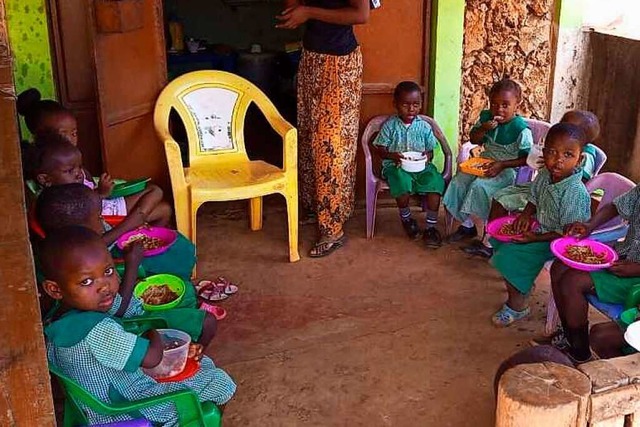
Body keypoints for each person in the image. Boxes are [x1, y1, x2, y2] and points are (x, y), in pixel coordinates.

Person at [41, 226, 235, 425]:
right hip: (126, 408)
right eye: (87, 281)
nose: (105, 286)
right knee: (220, 382)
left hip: (101, 395)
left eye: (108, 271)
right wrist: (153, 334)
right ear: (54, 289)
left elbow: (119, 307)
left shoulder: (61, 316)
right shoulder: (97, 331)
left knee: (202, 364)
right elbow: (152, 357)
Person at [277, 0, 369, 257]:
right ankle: (317, 207)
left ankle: (333, 228)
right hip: (312, 58)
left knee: (331, 146)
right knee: (308, 137)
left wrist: (308, 12)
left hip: (339, 64)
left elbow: (361, 14)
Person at [489, 123, 591, 327]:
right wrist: (526, 215)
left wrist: (535, 238)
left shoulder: (574, 191)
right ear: (544, 152)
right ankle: (522, 282)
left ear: (579, 159)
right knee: (501, 239)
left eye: (568, 154)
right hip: (541, 228)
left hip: (559, 243)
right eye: (552, 152)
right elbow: (534, 197)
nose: (558, 160)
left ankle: (517, 306)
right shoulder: (546, 174)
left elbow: (568, 233)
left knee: (510, 255)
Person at [35, 184, 198, 305]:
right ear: (80, 229)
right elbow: (119, 306)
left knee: (173, 236)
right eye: (98, 218)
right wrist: (131, 264)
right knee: (177, 256)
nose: (101, 220)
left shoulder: (70, 243)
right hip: (125, 269)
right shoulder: (80, 259)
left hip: (119, 260)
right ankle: (185, 284)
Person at [550, 182, 640, 363]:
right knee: (558, 268)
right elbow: (617, 206)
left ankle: (580, 354)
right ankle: (570, 338)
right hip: (623, 256)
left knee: (572, 282)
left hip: (635, 279)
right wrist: (589, 225)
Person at [443, 78, 533, 246]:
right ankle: (467, 224)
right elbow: (474, 139)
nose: (499, 109)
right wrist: (484, 129)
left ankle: (486, 232)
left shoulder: (521, 129)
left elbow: (526, 160)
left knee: (480, 187)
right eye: (494, 104)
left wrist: (502, 165)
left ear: (517, 105)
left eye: (505, 105)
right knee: (459, 181)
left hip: (507, 169)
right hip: (484, 161)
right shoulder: (486, 118)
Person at [488, 110, 602, 223]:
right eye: (560, 124)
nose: (560, 130)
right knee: (499, 195)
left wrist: (553, 167)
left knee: (504, 201)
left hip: (558, 198)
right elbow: (539, 182)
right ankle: (493, 233)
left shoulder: (586, 157)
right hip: (540, 188)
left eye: (567, 127)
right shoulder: (556, 148)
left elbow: (579, 183)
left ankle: (497, 235)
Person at [31, 135, 171, 225]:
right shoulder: (55, 200)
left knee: (165, 209)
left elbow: (90, 190)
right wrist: (102, 194)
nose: (78, 174)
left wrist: (101, 191)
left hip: (108, 205)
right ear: (45, 179)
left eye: (79, 167)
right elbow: (84, 209)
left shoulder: (75, 180)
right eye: (69, 171)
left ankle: (147, 234)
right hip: (108, 216)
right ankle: (135, 223)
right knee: (155, 191)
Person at [373, 81, 445, 247]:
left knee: (435, 182)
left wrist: (426, 157)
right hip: (396, 166)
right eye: (405, 105)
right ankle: (406, 219)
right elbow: (380, 149)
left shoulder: (425, 127)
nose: (411, 109)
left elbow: (430, 150)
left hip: (421, 166)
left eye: (416, 105)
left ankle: (431, 228)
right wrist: (393, 156)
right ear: (396, 105)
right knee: (401, 181)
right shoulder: (390, 126)